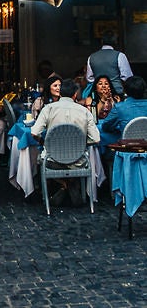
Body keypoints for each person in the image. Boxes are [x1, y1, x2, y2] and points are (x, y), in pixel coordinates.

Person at [31, 78, 100, 206]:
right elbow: (96, 139)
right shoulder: (84, 111)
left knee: (41, 159)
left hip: (52, 160)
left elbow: (34, 133)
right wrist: (80, 143)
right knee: (77, 162)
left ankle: (63, 186)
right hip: (78, 161)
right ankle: (70, 184)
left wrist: (44, 142)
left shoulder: (48, 109)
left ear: (60, 93)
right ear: (75, 94)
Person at [86, 31, 133, 96]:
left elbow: (89, 78)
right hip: (117, 93)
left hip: (99, 94)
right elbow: (127, 77)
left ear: (102, 41)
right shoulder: (120, 55)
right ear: (115, 42)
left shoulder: (91, 57)